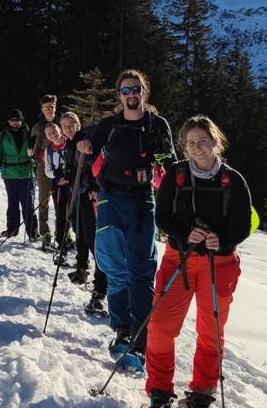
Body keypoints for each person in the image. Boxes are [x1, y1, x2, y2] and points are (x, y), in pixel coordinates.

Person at [145, 115, 254, 408]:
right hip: (179, 259)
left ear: (215, 141)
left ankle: (202, 391)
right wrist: (185, 233)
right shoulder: (177, 174)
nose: (197, 147)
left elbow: (244, 224)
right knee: (159, 324)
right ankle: (159, 390)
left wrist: (223, 240)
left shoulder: (233, 180)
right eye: (191, 142)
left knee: (211, 329)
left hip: (220, 264)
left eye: (202, 141)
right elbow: (162, 216)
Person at [77, 69, 176, 368]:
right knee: (113, 262)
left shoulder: (157, 124)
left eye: (136, 89)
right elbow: (88, 148)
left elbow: (169, 163)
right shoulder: (109, 125)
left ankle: (141, 338)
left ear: (144, 92)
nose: (131, 94)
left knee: (141, 268)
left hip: (142, 200)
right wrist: (82, 145)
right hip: (110, 197)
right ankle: (122, 328)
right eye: (125, 90)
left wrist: (163, 156)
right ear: (119, 95)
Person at [60, 111, 108, 317]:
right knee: (79, 230)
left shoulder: (86, 141)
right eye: (64, 125)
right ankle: (82, 267)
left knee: (93, 237)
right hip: (77, 192)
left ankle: (101, 284)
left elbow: (97, 164)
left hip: (88, 193)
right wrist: (67, 175)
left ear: (78, 124)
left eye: (71, 124)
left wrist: (96, 186)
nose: (68, 128)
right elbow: (72, 167)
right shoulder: (68, 145)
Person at [0, 109, 38, 240]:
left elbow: (37, 150)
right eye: (12, 120)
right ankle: (11, 231)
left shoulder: (30, 133)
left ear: (21, 120)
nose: (15, 122)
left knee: (28, 204)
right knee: (12, 204)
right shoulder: (3, 135)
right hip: (10, 173)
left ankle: (33, 233)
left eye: (17, 120)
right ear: (8, 121)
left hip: (27, 173)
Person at [30, 94, 61, 250]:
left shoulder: (62, 122)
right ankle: (45, 232)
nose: (48, 110)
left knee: (61, 200)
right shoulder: (37, 127)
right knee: (44, 199)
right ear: (41, 109)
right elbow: (31, 145)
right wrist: (31, 150)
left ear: (55, 107)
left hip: (61, 166)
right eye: (45, 107)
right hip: (43, 166)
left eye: (51, 107)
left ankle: (63, 232)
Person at [43, 122, 76, 265]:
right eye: (49, 133)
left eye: (54, 131)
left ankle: (74, 240)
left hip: (72, 182)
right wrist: (56, 174)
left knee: (74, 212)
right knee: (60, 214)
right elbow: (47, 170)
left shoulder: (70, 143)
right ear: (47, 136)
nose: (53, 135)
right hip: (58, 184)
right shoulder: (49, 149)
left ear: (59, 130)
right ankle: (60, 242)